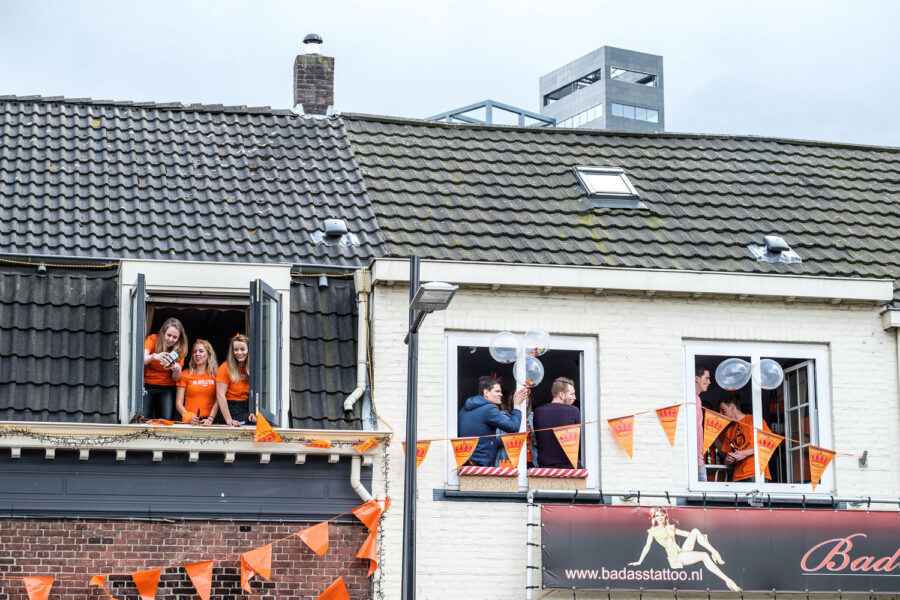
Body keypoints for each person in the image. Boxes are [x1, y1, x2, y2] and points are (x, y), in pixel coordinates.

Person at [629, 507, 740, 592]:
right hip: (675, 558)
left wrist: (702, 535)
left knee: (696, 531)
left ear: (665, 516)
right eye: (657, 516)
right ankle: (728, 580)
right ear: (654, 517)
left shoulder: (670, 527)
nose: (659, 517)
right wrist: (640, 561)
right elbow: (647, 547)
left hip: (681, 552)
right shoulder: (653, 531)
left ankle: (715, 552)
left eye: (661, 515)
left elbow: (686, 534)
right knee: (704, 555)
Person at [458, 376, 528, 467]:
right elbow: (514, 427)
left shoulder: (463, 409)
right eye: (497, 391)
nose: (501, 394)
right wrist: (517, 405)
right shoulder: (489, 409)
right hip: (481, 465)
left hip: (465, 464)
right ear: (486, 392)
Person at [713, 394, 772, 482]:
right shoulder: (729, 430)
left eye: (723, 411)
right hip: (737, 476)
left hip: (755, 473)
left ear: (732, 407)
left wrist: (746, 453)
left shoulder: (754, 420)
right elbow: (726, 460)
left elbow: (770, 445)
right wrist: (728, 459)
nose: (721, 414)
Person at [142, 318, 188, 420]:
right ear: (163, 333)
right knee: (143, 419)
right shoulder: (153, 339)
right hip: (147, 386)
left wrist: (176, 370)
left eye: (175, 337)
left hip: (166, 388)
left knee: (166, 420)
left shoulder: (179, 349)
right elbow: (141, 360)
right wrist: (154, 356)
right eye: (169, 335)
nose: (171, 339)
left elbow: (176, 379)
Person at [531, 377, 582, 468]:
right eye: (572, 394)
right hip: (568, 468)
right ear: (561, 395)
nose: (574, 398)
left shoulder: (538, 412)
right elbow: (577, 439)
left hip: (544, 468)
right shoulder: (573, 411)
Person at [175, 339, 219, 425]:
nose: (197, 354)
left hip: (209, 422)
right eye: (194, 352)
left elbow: (218, 400)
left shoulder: (216, 375)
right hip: (189, 422)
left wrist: (210, 419)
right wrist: (189, 417)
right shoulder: (185, 374)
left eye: (201, 351)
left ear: (209, 354)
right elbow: (178, 403)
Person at [216, 334, 255, 426]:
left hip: (246, 407)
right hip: (230, 409)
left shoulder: (252, 368)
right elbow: (220, 395)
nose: (239, 352)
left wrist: (253, 412)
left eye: (242, 349)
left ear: (248, 350)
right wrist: (229, 420)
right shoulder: (225, 367)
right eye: (236, 349)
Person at [695, 365, 711, 482]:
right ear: (697, 379)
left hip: (697, 456)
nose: (709, 382)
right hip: (694, 457)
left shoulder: (697, 399)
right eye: (706, 378)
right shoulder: (693, 399)